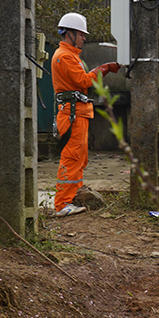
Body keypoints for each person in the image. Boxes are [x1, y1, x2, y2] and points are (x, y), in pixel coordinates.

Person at [52, 12, 121, 216]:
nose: (84, 38)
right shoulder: (65, 56)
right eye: (81, 34)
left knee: (80, 158)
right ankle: (62, 204)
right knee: (72, 157)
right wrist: (105, 68)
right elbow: (84, 81)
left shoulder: (71, 55)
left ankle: (73, 197)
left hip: (77, 113)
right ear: (70, 33)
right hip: (73, 114)